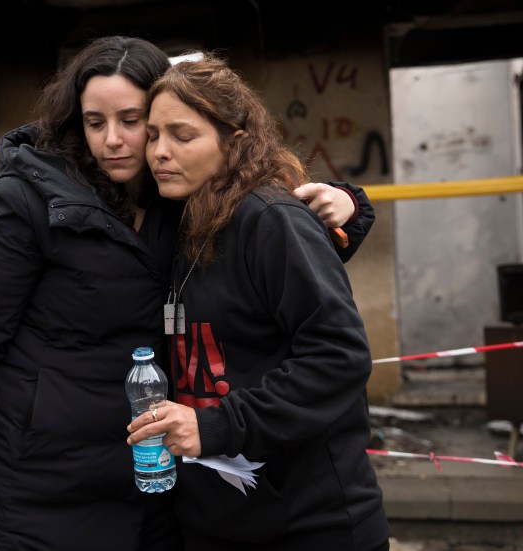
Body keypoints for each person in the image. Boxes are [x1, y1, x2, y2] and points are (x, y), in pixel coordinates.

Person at [0, 36, 375, 551]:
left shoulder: (181, 199)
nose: (113, 140)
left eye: (133, 122)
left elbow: (263, 245)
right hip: (31, 490)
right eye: (94, 122)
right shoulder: (33, 202)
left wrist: (347, 208)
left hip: (148, 490)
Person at [128, 52, 389, 551]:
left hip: (309, 524)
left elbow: (339, 355)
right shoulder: (180, 218)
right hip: (216, 521)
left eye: (183, 136)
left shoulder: (269, 219)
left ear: (234, 142)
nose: (160, 151)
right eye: (155, 134)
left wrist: (218, 424)